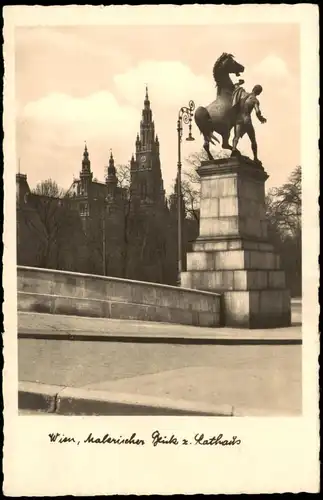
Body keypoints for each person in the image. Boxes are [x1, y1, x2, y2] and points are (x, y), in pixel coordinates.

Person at [231, 84, 267, 163]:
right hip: (247, 121)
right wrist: (261, 118)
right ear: (259, 93)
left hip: (238, 119)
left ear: (253, 88)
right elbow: (257, 112)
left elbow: (236, 89)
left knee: (236, 136)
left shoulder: (243, 94)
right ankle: (255, 158)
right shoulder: (255, 100)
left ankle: (233, 149)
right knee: (253, 140)